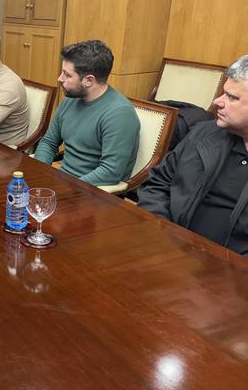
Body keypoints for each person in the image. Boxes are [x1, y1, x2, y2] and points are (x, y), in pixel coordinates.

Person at [139, 55, 248, 255]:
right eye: (223, 93)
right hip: (171, 249)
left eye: (232, 97)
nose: (217, 102)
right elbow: (157, 184)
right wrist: (162, 232)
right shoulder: (203, 133)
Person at [34, 40, 140, 186]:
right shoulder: (70, 99)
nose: (60, 79)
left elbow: (110, 172)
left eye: (67, 75)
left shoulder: (119, 114)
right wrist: (39, 174)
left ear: (89, 80)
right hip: (64, 184)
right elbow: (49, 142)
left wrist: (67, 189)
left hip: (93, 193)